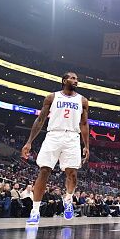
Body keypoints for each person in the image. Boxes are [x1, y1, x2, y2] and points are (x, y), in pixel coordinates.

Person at [21, 71, 90, 225]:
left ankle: (68, 200)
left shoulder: (83, 100)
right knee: (44, 171)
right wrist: (29, 141)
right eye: (72, 78)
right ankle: (35, 210)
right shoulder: (51, 97)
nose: (76, 80)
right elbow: (40, 119)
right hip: (53, 135)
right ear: (64, 80)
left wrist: (86, 146)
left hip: (72, 137)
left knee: (72, 174)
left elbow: (84, 124)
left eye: (77, 79)